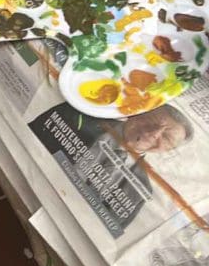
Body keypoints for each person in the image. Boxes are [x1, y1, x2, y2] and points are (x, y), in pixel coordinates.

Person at [30, 101, 193, 235]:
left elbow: (103, 233)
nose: (153, 134)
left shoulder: (141, 190)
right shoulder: (75, 114)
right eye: (153, 121)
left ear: (168, 150)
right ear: (137, 113)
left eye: (167, 137)